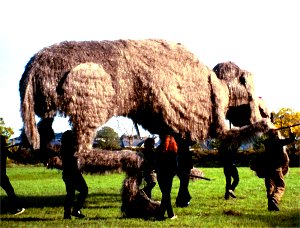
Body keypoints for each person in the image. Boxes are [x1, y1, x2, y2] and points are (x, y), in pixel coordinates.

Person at [263, 128, 295, 211]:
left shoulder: (266, 142)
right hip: (276, 168)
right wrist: (290, 130)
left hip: (267, 168)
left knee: (270, 187)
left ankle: (271, 206)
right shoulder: (278, 142)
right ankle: (275, 199)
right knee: (281, 186)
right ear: (276, 135)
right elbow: (291, 139)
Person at [60, 130, 88, 219]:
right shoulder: (71, 148)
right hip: (74, 173)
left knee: (70, 194)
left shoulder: (63, 148)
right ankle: (76, 210)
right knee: (84, 190)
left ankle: (67, 213)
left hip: (67, 173)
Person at [0, 135, 25, 215]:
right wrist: (19, 150)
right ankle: (15, 209)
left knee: (10, 191)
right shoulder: (4, 150)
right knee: (10, 191)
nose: (5, 142)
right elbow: (14, 157)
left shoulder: (3, 149)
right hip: (1, 175)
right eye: (4, 140)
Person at [156, 135, 178, 220]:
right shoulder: (173, 151)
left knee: (165, 195)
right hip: (168, 175)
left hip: (160, 174)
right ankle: (168, 215)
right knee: (166, 195)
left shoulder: (158, 149)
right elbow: (175, 165)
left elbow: (156, 163)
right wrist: (174, 172)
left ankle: (164, 214)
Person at [175, 136, 193, 207]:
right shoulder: (183, 149)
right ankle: (183, 200)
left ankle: (182, 200)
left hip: (183, 167)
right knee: (184, 185)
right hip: (183, 168)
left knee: (184, 185)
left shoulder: (181, 147)